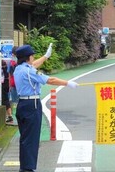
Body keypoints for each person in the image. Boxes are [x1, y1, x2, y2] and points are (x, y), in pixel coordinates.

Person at [14, 44, 79, 172]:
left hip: (22, 105)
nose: (34, 58)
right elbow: (51, 80)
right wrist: (67, 83)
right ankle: (28, 168)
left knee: (25, 137)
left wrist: (45, 57)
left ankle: (25, 166)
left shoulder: (19, 69)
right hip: (31, 105)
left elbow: (33, 66)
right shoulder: (29, 71)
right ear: (29, 57)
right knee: (31, 139)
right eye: (32, 56)